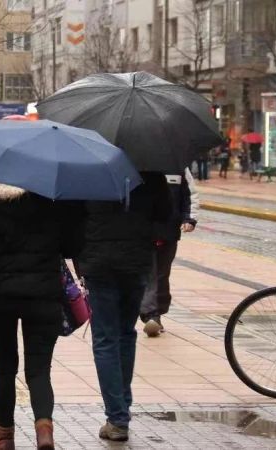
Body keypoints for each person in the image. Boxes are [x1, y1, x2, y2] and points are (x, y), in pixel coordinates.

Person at [0, 179, 82, 450]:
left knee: (6, 367)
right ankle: (44, 431)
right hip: (44, 294)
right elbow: (71, 246)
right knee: (39, 369)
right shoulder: (54, 197)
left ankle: (5, 436)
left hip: (0, 297)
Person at [78, 172, 170, 442]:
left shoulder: (89, 170)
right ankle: (121, 411)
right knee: (126, 334)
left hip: (98, 262)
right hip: (136, 261)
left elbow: (73, 218)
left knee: (106, 338)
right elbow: (165, 214)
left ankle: (117, 418)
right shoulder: (150, 171)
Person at [140, 169, 197, 337]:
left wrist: (189, 218)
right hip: (144, 231)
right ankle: (151, 315)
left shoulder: (179, 167)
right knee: (151, 273)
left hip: (169, 232)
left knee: (163, 274)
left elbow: (189, 196)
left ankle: (158, 310)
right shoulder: (140, 167)